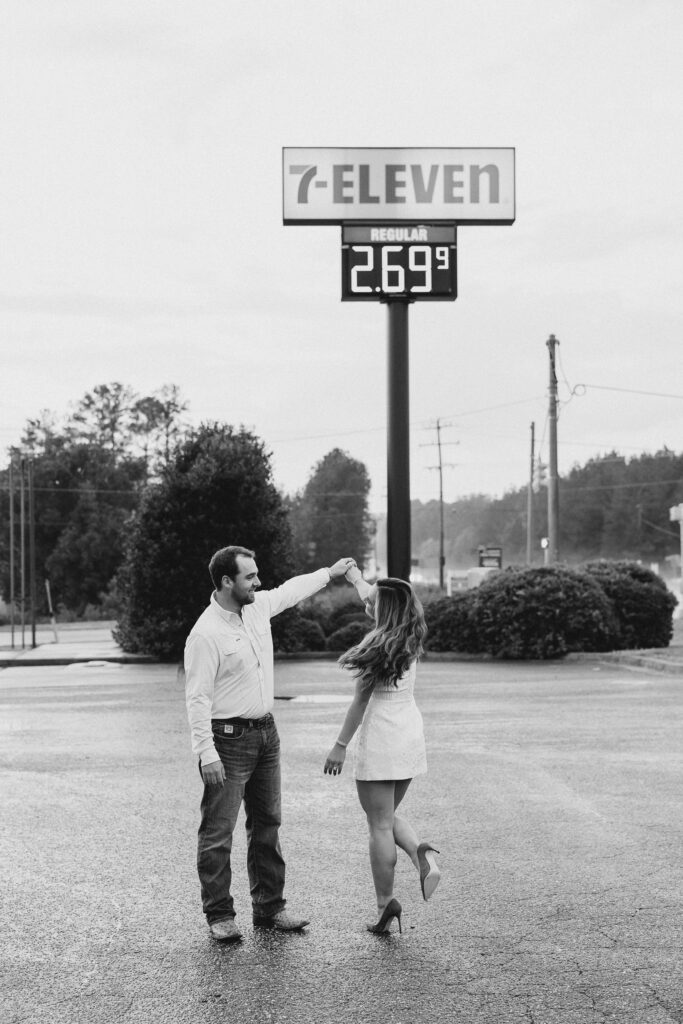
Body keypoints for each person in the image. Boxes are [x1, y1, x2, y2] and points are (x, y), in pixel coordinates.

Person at [185, 545, 357, 942]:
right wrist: (205, 752)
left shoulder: (258, 607)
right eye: (250, 577)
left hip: (266, 733)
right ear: (227, 581)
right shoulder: (206, 632)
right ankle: (220, 916)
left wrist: (328, 573)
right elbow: (196, 698)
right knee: (218, 831)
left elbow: (291, 590)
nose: (258, 582)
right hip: (227, 740)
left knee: (267, 825)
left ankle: (269, 908)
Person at [324, 567, 441, 934]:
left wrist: (339, 746)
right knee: (386, 816)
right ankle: (418, 852)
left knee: (378, 824)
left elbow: (358, 705)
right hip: (408, 736)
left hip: (381, 739)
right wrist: (355, 576)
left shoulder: (376, 648)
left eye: (371, 601)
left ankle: (384, 903)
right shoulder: (409, 637)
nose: (366, 602)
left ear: (382, 609)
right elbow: (373, 595)